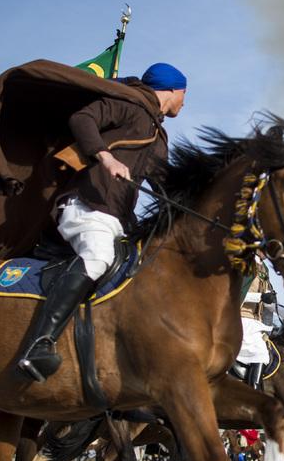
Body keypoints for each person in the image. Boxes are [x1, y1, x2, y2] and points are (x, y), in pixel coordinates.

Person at [14, 62, 187, 381]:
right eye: (184, 94)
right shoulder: (127, 103)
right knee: (98, 258)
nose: (184, 102)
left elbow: (164, 184)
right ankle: (37, 345)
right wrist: (105, 156)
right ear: (174, 90)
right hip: (85, 205)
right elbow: (82, 119)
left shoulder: (158, 136)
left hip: (117, 220)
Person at [237, 258, 276, 390]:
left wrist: (270, 301)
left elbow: (266, 302)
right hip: (240, 318)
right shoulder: (245, 263)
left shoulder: (264, 268)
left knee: (263, 355)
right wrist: (260, 297)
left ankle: (254, 389)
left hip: (256, 322)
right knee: (260, 353)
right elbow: (235, 293)